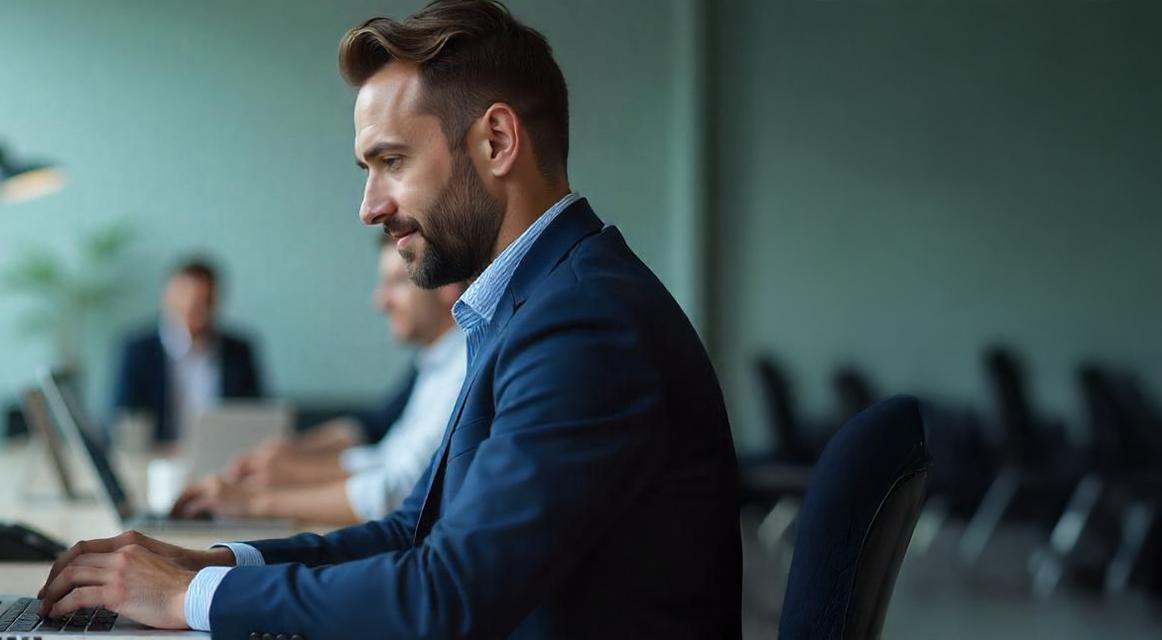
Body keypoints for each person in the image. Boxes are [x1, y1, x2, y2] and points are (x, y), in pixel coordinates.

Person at [37, 1, 741, 637]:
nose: (369, 207)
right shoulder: (532, 302)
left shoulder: (584, 324)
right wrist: (211, 564)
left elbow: (447, 594)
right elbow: (417, 530)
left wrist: (193, 600)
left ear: (497, 141)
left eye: (392, 161)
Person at [169, 236, 467, 525]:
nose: (380, 302)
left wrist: (258, 498)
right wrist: (287, 462)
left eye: (398, 282)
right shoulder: (432, 363)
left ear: (447, 285)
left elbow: (400, 487)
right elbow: (384, 455)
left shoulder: (463, 366)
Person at [112, 258, 267, 448]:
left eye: (204, 302)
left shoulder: (239, 351)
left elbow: (255, 418)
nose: (195, 311)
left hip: (223, 458)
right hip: (157, 460)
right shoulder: (138, 351)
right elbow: (122, 421)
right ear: (167, 298)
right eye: (187, 301)